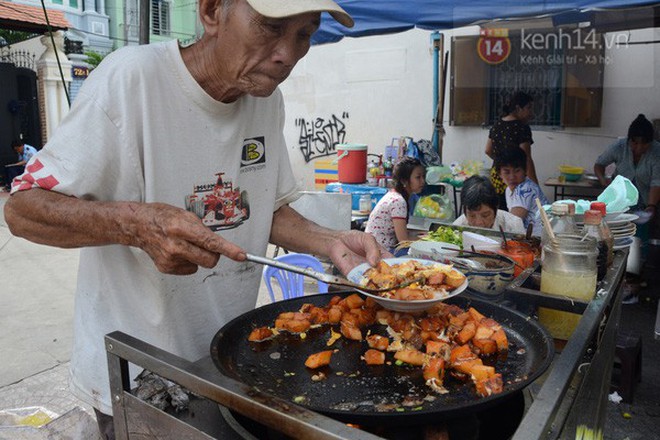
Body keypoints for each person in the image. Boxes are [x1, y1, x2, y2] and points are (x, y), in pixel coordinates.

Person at [3, 1, 385, 438]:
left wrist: (330, 240)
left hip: (226, 364)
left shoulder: (267, 100)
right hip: (140, 376)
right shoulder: (132, 81)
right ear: (211, 12)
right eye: (272, 26)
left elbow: (266, 207)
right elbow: (23, 209)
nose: (288, 53)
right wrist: (136, 225)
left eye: (305, 33)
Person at [594, 114, 660, 224]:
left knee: (639, 237)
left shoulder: (657, 152)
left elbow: (657, 182)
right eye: (635, 143)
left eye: (644, 144)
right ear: (629, 140)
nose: (639, 148)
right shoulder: (619, 147)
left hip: (645, 202)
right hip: (619, 202)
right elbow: (599, 164)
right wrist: (603, 180)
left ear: (651, 142)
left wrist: (651, 206)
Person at [485, 91, 538, 210]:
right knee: (516, 210)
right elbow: (526, 158)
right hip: (514, 176)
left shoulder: (497, 124)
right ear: (518, 108)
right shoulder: (521, 127)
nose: (531, 113)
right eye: (529, 108)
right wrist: (535, 185)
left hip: (498, 175)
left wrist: (502, 163)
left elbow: (488, 150)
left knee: (499, 210)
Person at [366, 157, 426, 254]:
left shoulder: (395, 195)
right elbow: (404, 241)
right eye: (418, 177)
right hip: (381, 252)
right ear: (404, 181)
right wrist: (427, 240)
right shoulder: (398, 201)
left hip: (378, 248)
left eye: (423, 176)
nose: (422, 181)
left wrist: (420, 236)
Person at [496, 147, 549, 236]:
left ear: (525, 171)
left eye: (517, 171)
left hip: (539, 240)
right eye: (507, 172)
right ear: (499, 174)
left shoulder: (525, 189)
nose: (512, 177)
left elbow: (512, 223)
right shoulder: (509, 190)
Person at [453, 175, 525, 234]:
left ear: (496, 208)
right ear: (465, 212)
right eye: (472, 216)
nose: (479, 223)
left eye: (485, 215)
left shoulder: (514, 226)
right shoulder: (457, 229)